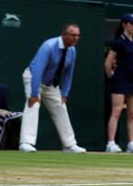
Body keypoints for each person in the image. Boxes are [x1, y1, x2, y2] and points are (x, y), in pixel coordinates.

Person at [18, 23, 86, 153]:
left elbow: (68, 73)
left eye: (78, 36)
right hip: (33, 78)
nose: (76, 38)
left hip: (51, 84)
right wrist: (33, 94)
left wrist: (64, 93)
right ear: (64, 35)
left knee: (61, 108)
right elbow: (37, 70)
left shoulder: (72, 50)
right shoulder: (48, 46)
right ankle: (26, 143)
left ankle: (69, 145)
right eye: (73, 35)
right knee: (33, 105)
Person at [104, 13, 133, 153]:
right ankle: (110, 143)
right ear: (124, 24)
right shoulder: (119, 42)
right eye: (131, 23)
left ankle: (131, 143)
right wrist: (111, 75)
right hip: (120, 80)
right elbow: (108, 62)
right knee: (116, 111)